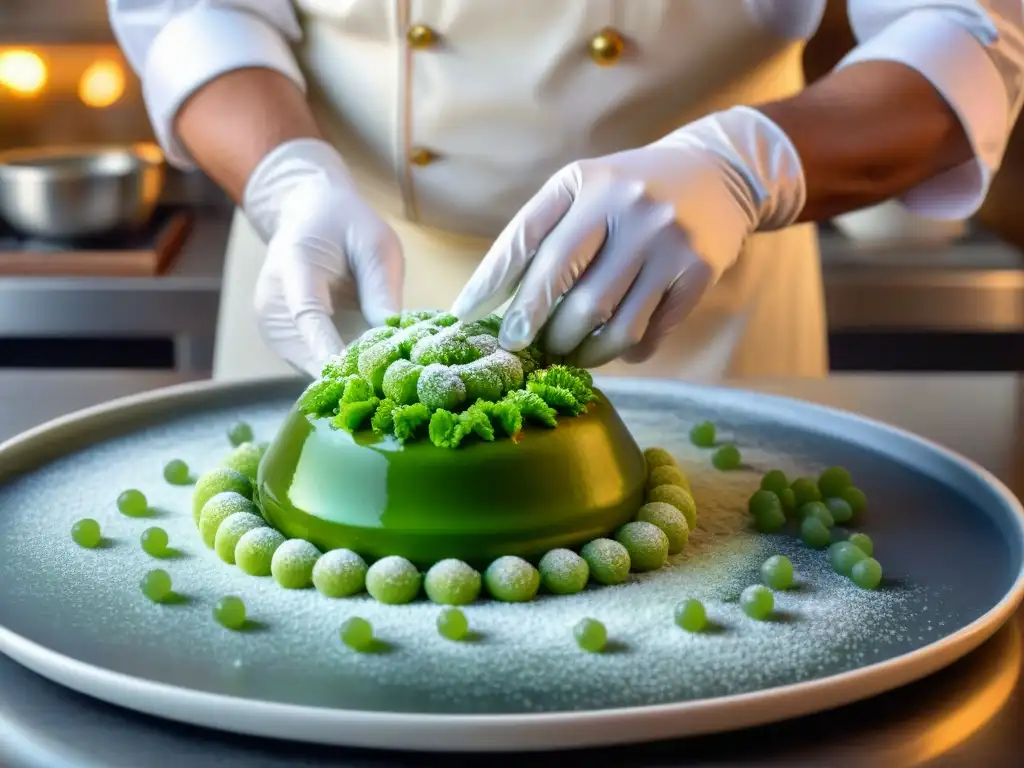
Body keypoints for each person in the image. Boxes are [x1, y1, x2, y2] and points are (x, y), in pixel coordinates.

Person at [109, 0, 1024, 383]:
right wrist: (285, 177)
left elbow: (969, 33)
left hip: (688, 303)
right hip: (331, 274)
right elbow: (196, 9)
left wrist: (744, 167)